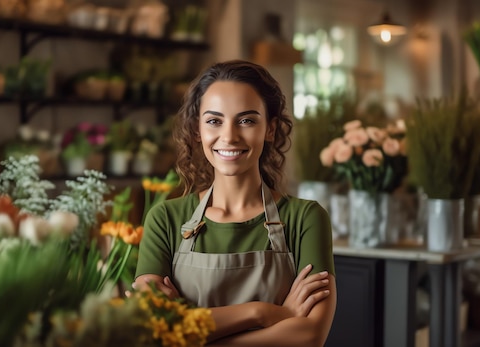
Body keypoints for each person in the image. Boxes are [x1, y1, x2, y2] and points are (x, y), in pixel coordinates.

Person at [134, 60, 336, 346]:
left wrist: (190, 334)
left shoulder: (306, 218)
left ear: (271, 129)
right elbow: (153, 329)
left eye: (247, 120)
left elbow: (310, 335)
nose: (229, 136)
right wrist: (261, 313)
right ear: (196, 131)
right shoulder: (165, 219)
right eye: (214, 121)